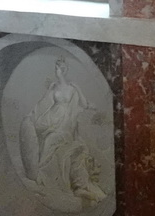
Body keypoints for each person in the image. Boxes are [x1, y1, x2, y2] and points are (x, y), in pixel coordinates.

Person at [19, 57, 107, 207]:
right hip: (53, 119)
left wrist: (91, 107)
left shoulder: (73, 88)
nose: (56, 71)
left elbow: (84, 103)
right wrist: (32, 116)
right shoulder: (53, 88)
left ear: (64, 70)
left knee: (52, 140)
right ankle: (38, 172)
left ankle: (41, 172)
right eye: (55, 68)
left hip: (66, 123)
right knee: (47, 139)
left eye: (58, 68)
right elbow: (42, 104)